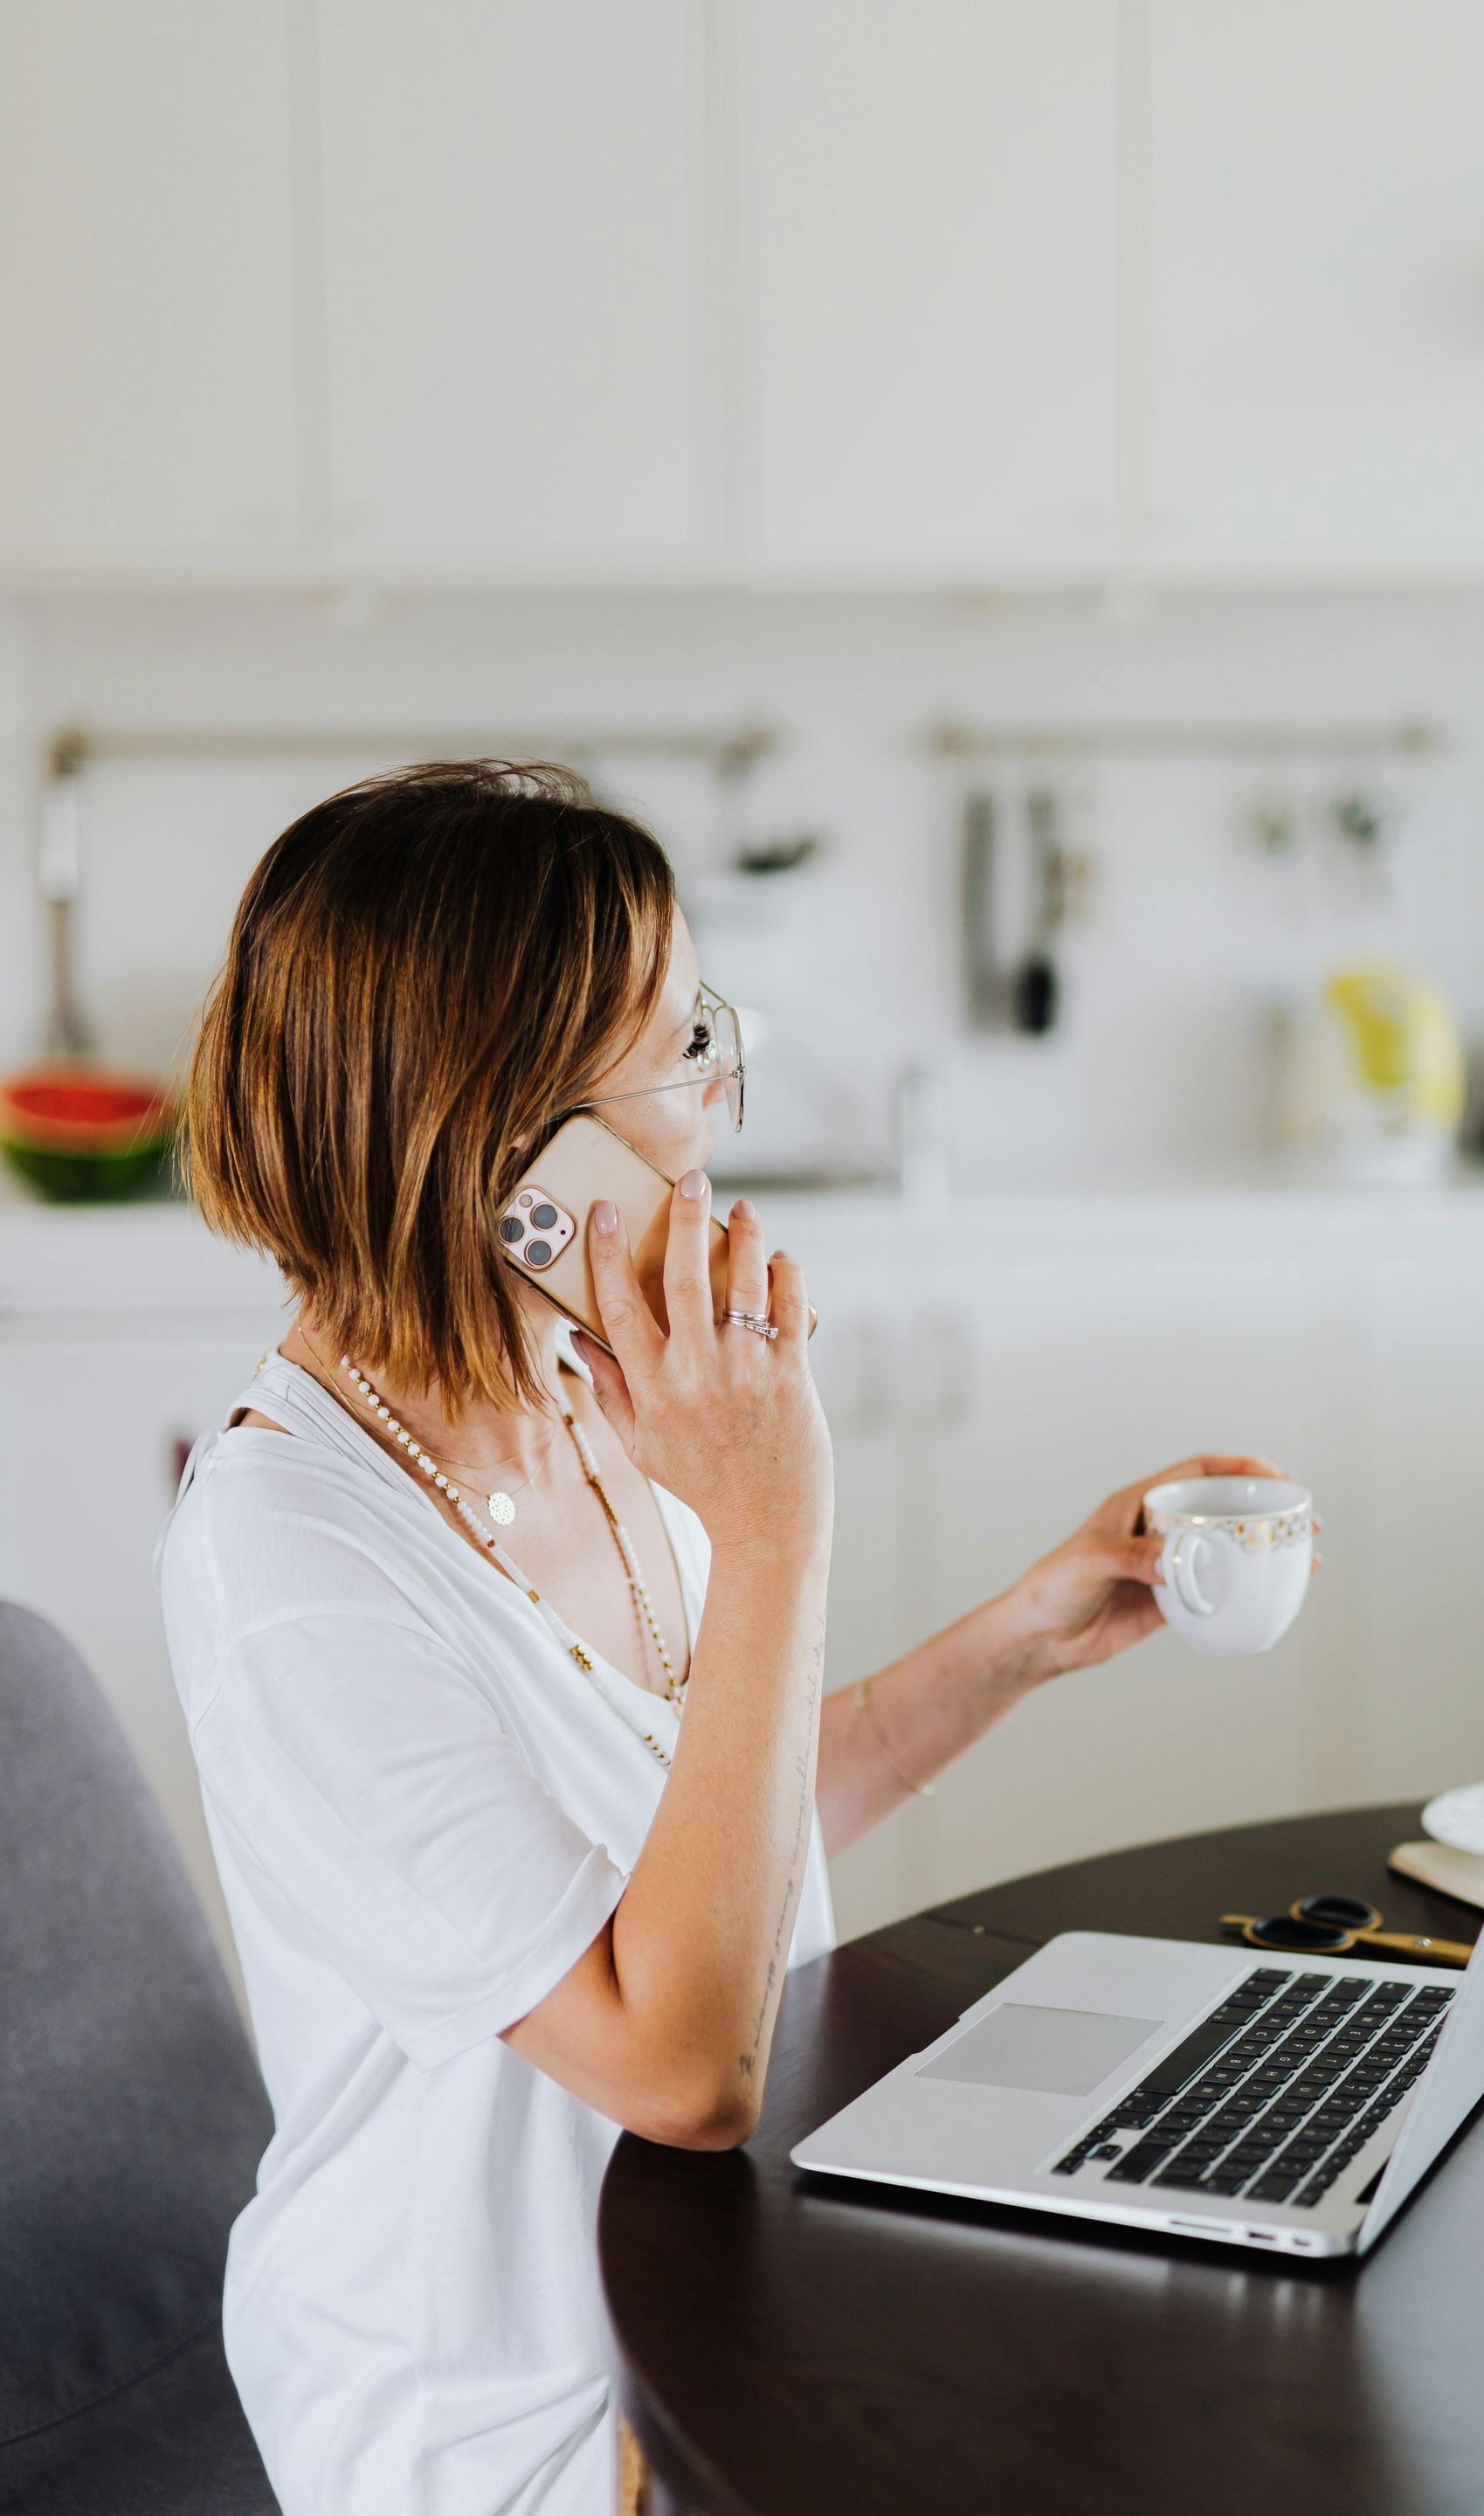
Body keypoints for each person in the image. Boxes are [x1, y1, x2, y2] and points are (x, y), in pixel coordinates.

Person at [157, 759, 1282, 2516]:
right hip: (510, 2413)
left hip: (707, 2291)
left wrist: (1020, 1638)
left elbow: (690, 1846)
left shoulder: (581, 1387)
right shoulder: (291, 1552)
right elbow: (680, 2059)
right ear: (517, 1145)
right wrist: (777, 1520)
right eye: (686, 1050)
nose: (721, 1098)